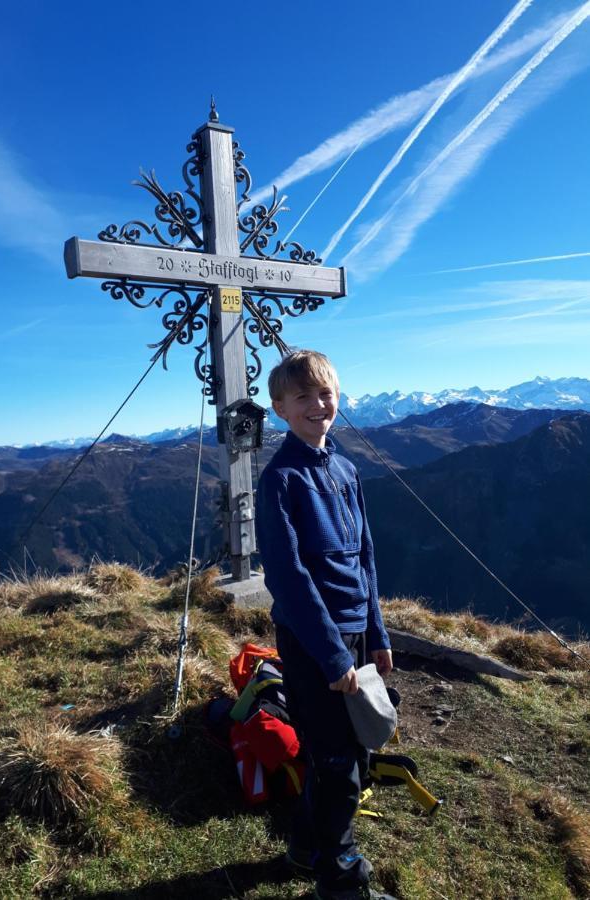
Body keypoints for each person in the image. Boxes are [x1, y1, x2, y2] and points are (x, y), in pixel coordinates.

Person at [256, 350, 395, 900]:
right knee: (336, 762)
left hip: (356, 633)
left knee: (351, 749)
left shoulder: (346, 469)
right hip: (314, 641)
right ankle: (341, 883)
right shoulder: (281, 480)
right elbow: (288, 578)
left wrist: (377, 635)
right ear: (280, 409)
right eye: (304, 397)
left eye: (326, 393)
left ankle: (306, 847)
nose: (319, 404)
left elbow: (366, 558)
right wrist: (334, 656)